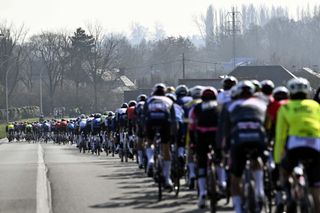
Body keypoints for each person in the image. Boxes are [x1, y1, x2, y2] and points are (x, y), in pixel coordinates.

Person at [274, 77, 320, 212]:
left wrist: (277, 160)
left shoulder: (285, 107)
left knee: (285, 171)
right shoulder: (315, 106)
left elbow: (280, 136)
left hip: (295, 146)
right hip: (316, 146)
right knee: (316, 189)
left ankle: (288, 196)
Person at [222, 80, 268, 213]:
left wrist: (223, 150)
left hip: (239, 139)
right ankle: (259, 190)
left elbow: (225, 130)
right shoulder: (261, 103)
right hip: (258, 137)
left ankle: (237, 208)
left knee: (235, 177)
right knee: (257, 158)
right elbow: (266, 124)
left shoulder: (230, 105)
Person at [188, 87, 219, 208]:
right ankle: (222, 182)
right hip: (216, 135)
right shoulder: (220, 106)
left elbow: (191, 126)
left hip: (202, 136)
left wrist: (192, 143)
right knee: (220, 160)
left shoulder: (196, 108)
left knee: (201, 165)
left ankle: (202, 194)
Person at [144, 83, 176, 188]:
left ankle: (151, 160)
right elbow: (173, 119)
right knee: (166, 148)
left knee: (149, 143)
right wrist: (173, 133)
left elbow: (144, 116)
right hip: (164, 122)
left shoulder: (149, 100)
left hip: (151, 121)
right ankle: (167, 179)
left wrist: (145, 130)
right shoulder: (169, 100)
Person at [135, 94, 147, 169]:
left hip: (141, 125)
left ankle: (140, 161)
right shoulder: (149, 104)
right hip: (150, 124)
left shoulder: (138, 105)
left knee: (140, 141)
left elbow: (134, 117)